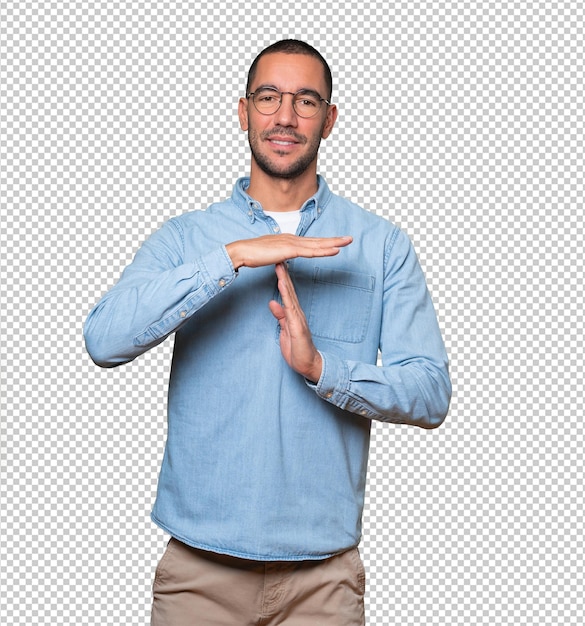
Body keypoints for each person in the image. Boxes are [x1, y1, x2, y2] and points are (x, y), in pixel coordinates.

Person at [84, 39, 451, 626]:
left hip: (324, 581)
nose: (285, 116)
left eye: (306, 100)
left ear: (329, 120)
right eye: (269, 97)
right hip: (198, 576)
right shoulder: (187, 239)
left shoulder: (382, 245)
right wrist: (231, 257)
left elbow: (430, 392)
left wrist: (322, 370)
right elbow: (103, 340)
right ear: (243, 111)